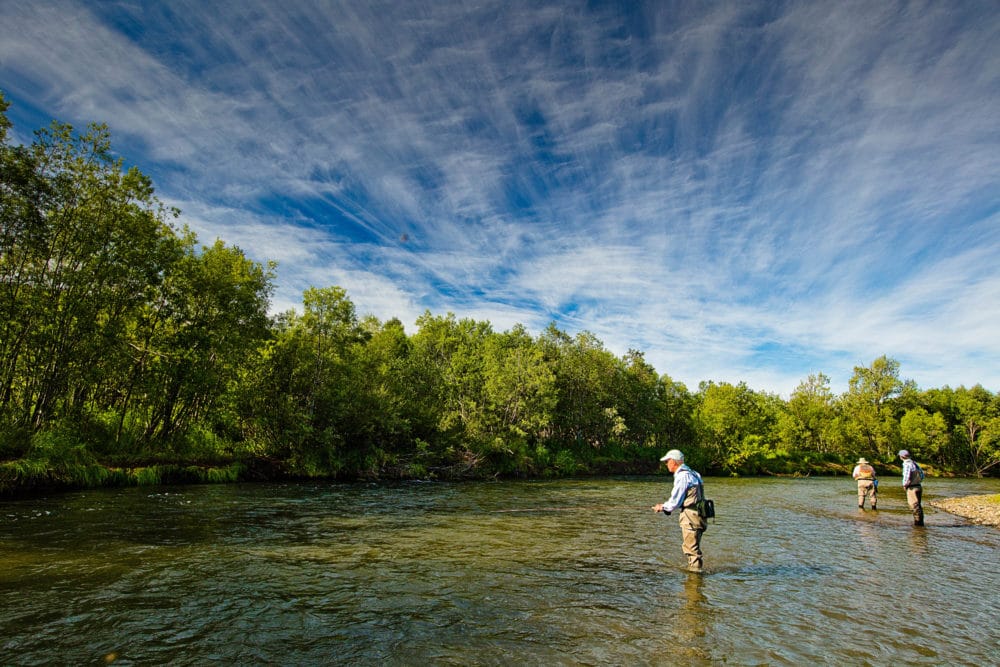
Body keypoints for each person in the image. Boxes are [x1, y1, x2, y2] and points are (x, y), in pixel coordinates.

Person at [652, 449, 707, 572]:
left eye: (667, 462)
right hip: (700, 515)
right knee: (694, 547)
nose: (666, 464)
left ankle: (694, 582)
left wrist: (662, 507)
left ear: (673, 461)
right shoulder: (693, 473)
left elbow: (675, 501)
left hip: (691, 516)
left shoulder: (682, 476)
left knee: (691, 550)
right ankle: (695, 578)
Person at [899, 449, 925, 526]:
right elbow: (922, 475)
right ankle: (920, 524)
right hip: (918, 486)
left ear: (901, 457)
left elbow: (906, 476)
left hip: (912, 488)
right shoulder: (914, 463)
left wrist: (904, 485)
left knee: (914, 506)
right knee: (918, 506)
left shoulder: (906, 464)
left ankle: (918, 525)